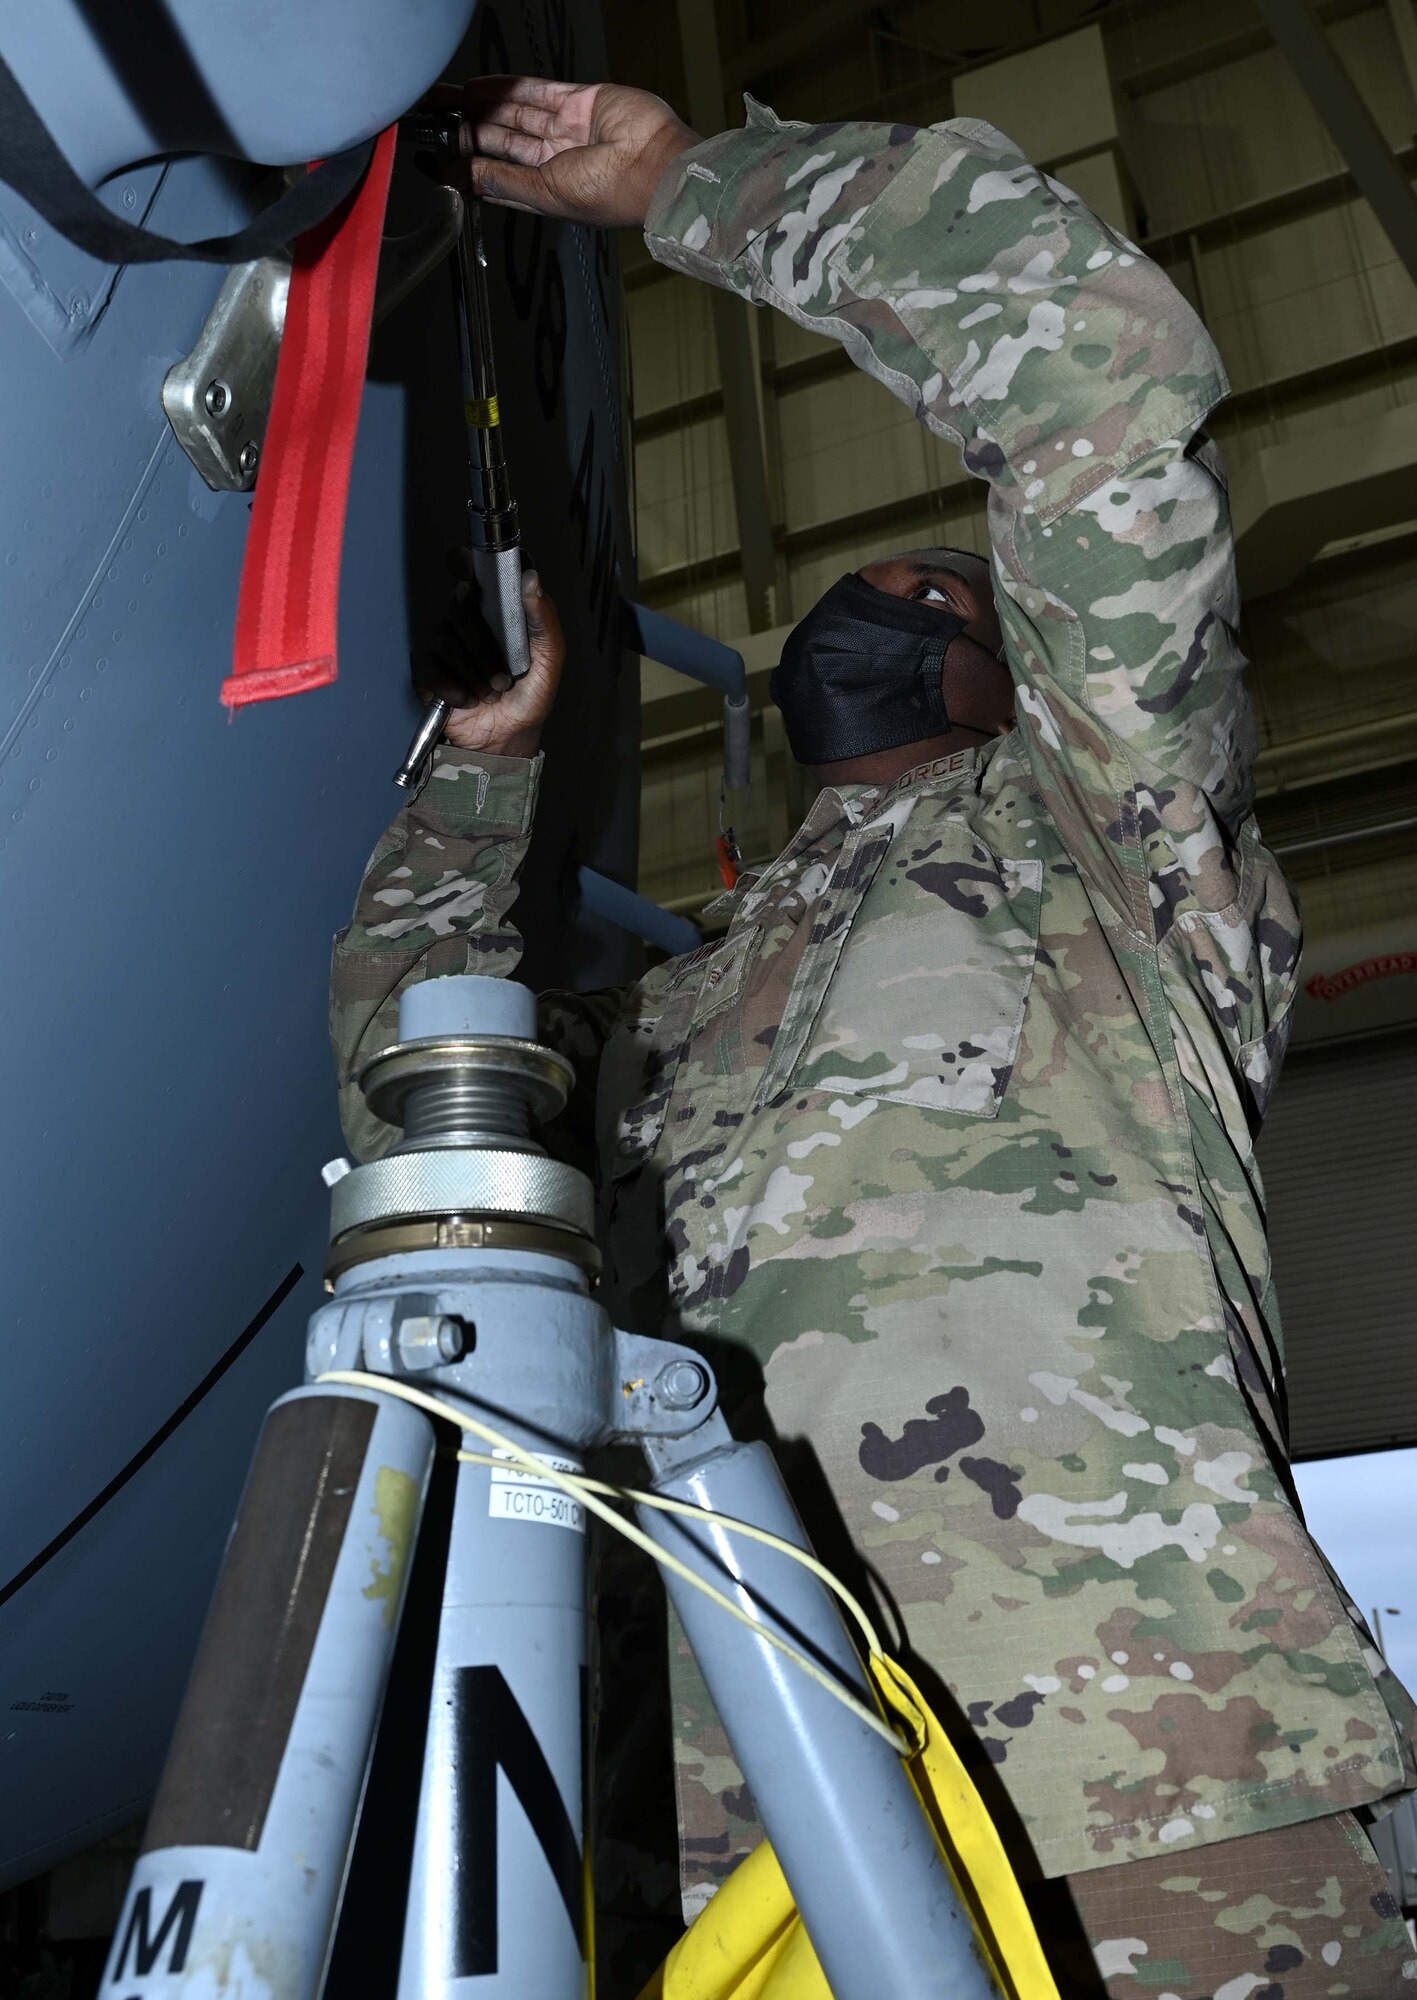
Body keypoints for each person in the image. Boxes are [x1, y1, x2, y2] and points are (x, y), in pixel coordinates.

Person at [330, 78, 1417, 1996]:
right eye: (855, 589)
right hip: (762, 1826)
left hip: (1140, 1786)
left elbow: (1089, 379)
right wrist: (477, 786)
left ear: (1022, 677)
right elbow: (417, 1103)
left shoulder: (1109, 849)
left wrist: (687, 185)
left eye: (930, 591)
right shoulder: (681, 1010)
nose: (872, 602)